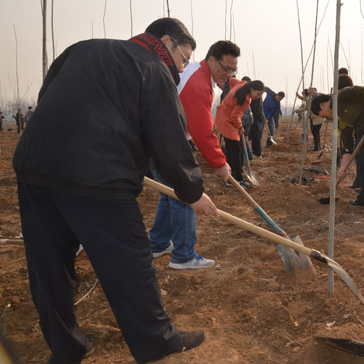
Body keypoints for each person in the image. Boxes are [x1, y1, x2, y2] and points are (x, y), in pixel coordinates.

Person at [13, 18, 215, 363]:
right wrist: (192, 191)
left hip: (35, 166)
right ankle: (156, 340)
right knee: (129, 263)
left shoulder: (83, 49)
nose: (182, 67)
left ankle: (65, 348)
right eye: (184, 58)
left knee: (49, 266)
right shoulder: (154, 68)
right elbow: (168, 137)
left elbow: (48, 98)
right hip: (98, 177)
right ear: (167, 41)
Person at [149, 40, 240, 270]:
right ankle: (184, 255)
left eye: (233, 70)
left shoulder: (199, 75)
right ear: (210, 59)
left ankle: (158, 242)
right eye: (225, 68)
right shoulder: (197, 82)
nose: (228, 75)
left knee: (169, 193)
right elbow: (201, 129)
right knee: (186, 194)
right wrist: (220, 163)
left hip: (163, 140)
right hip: (166, 141)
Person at [311, 79, 364, 218]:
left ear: (323, 105)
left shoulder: (343, 95)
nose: (324, 119)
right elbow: (347, 146)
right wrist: (343, 167)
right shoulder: (339, 121)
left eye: (322, 115)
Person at [216, 79, 265, 188]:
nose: (258, 97)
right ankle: (237, 179)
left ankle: (230, 176)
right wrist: (240, 127)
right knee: (236, 151)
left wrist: (228, 77)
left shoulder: (243, 84)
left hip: (223, 115)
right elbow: (235, 116)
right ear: (252, 89)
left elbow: (232, 80)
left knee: (231, 150)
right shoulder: (246, 99)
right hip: (227, 121)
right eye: (258, 94)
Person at [248, 84, 265, 158]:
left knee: (255, 135)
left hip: (255, 117)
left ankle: (257, 153)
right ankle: (256, 152)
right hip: (256, 116)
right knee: (255, 135)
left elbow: (255, 107)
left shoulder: (255, 94)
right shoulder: (257, 94)